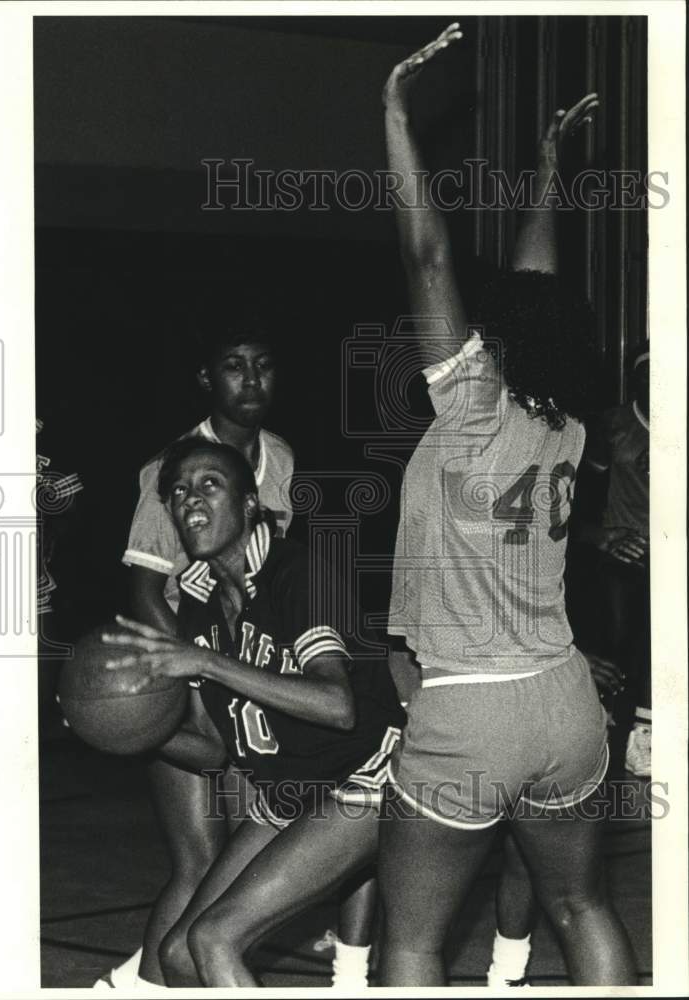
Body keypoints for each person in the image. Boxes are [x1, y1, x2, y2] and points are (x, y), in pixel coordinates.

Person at [377, 24, 636, 986]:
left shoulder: (472, 395)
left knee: (412, 940)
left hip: (470, 707)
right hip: (567, 701)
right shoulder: (566, 419)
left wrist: (396, 118)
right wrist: (545, 170)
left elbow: (427, 257)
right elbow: (542, 291)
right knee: (580, 905)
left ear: (494, 341)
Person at [103, 438, 407, 986]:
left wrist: (208, 662)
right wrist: (121, 729)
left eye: (209, 484)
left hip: (369, 775)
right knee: (179, 955)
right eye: (177, 492)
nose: (190, 499)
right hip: (291, 790)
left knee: (214, 939)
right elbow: (211, 747)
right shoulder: (198, 601)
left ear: (249, 504)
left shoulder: (301, 572)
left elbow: (337, 706)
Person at [97, 320, 295, 991]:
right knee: (199, 858)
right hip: (180, 676)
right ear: (207, 380)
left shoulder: (282, 458)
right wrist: (190, 680)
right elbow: (146, 589)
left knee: (235, 861)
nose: (251, 379)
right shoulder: (173, 467)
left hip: (241, 672)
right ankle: (138, 986)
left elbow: (275, 584)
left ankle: (140, 977)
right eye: (233, 366)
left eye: (262, 364)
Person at [580, 349, 650, 775]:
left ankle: (647, 723)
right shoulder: (613, 425)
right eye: (648, 371)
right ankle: (617, 723)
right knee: (624, 629)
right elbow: (580, 494)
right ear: (636, 378)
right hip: (626, 544)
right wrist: (601, 537)